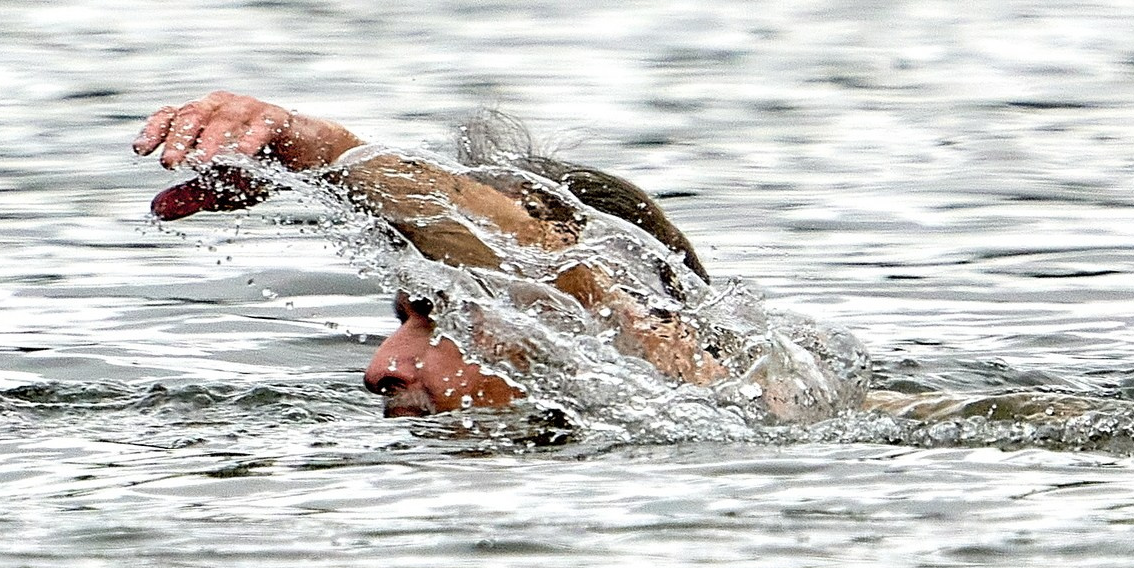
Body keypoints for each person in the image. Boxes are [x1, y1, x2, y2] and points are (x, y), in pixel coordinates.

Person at [133, 91, 1082, 424]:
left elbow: (544, 265)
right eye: (403, 322)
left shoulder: (681, 378)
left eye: (445, 318)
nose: (383, 367)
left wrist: (329, 152)